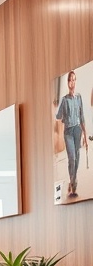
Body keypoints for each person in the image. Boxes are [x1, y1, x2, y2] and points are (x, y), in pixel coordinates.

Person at [55, 70, 87, 198]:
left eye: (74, 80)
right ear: (67, 83)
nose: (72, 82)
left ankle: (72, 181)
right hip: (68, 131)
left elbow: (82, 116)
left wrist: (85, 135)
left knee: (77, 157)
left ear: (75, 81)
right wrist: (64, 118)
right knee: (72, 158)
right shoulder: (64, 100)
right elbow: (58, 116)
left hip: (78, 130)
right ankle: (73, 184)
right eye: (70, 80)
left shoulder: (79, 98)